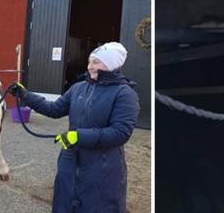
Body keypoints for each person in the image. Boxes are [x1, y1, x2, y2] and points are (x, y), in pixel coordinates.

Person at [9, 41, 140, 213]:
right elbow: (54, 109)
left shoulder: (124, 94)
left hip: (102, 168)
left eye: (96, 62)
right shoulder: (78, 88)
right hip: (70, 162)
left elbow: (120, 133)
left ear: (111, 64)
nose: (90, 66)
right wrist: (25, 95)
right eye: (90, 61)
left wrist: (78, 136)